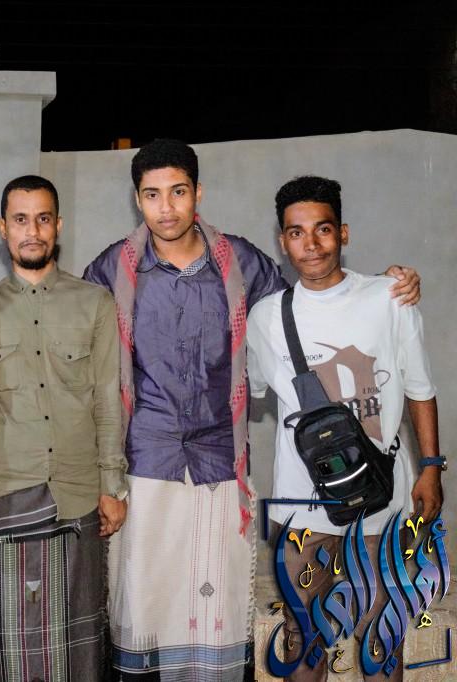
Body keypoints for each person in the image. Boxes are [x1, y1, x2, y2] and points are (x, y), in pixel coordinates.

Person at [82, 139, 421, 680]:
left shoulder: (240, 263)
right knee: (143, 606)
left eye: (178, 192)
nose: (166, 207)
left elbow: (307, 306)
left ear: (198, 193)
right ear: (137, 199)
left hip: (221, 462)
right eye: (152, 195)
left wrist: (382, 290)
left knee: (216, 611)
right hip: (144, 460)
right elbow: (82, 350)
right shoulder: (114, 270)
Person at [246, 176, 444, 681]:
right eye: (296, 232)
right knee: (303, 638)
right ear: (282, 241)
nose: (311, 244)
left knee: (382, 637)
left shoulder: (390, 297)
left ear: (344, 233)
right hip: (301, 509)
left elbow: (420, 388)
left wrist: (430, 467)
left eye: (323, 229)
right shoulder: (265, 318)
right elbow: (249, 389)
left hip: (383, 503)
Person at [0, 175, 128, 681]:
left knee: (80, 650)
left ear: (58, 226)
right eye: (20, 220)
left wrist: (112, 485)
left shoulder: (94, 302)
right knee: (14, 649)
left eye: (43, 219)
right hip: (5, 493)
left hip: (78, 493)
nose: (33, 231)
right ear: (3, 228)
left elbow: (107, 399)